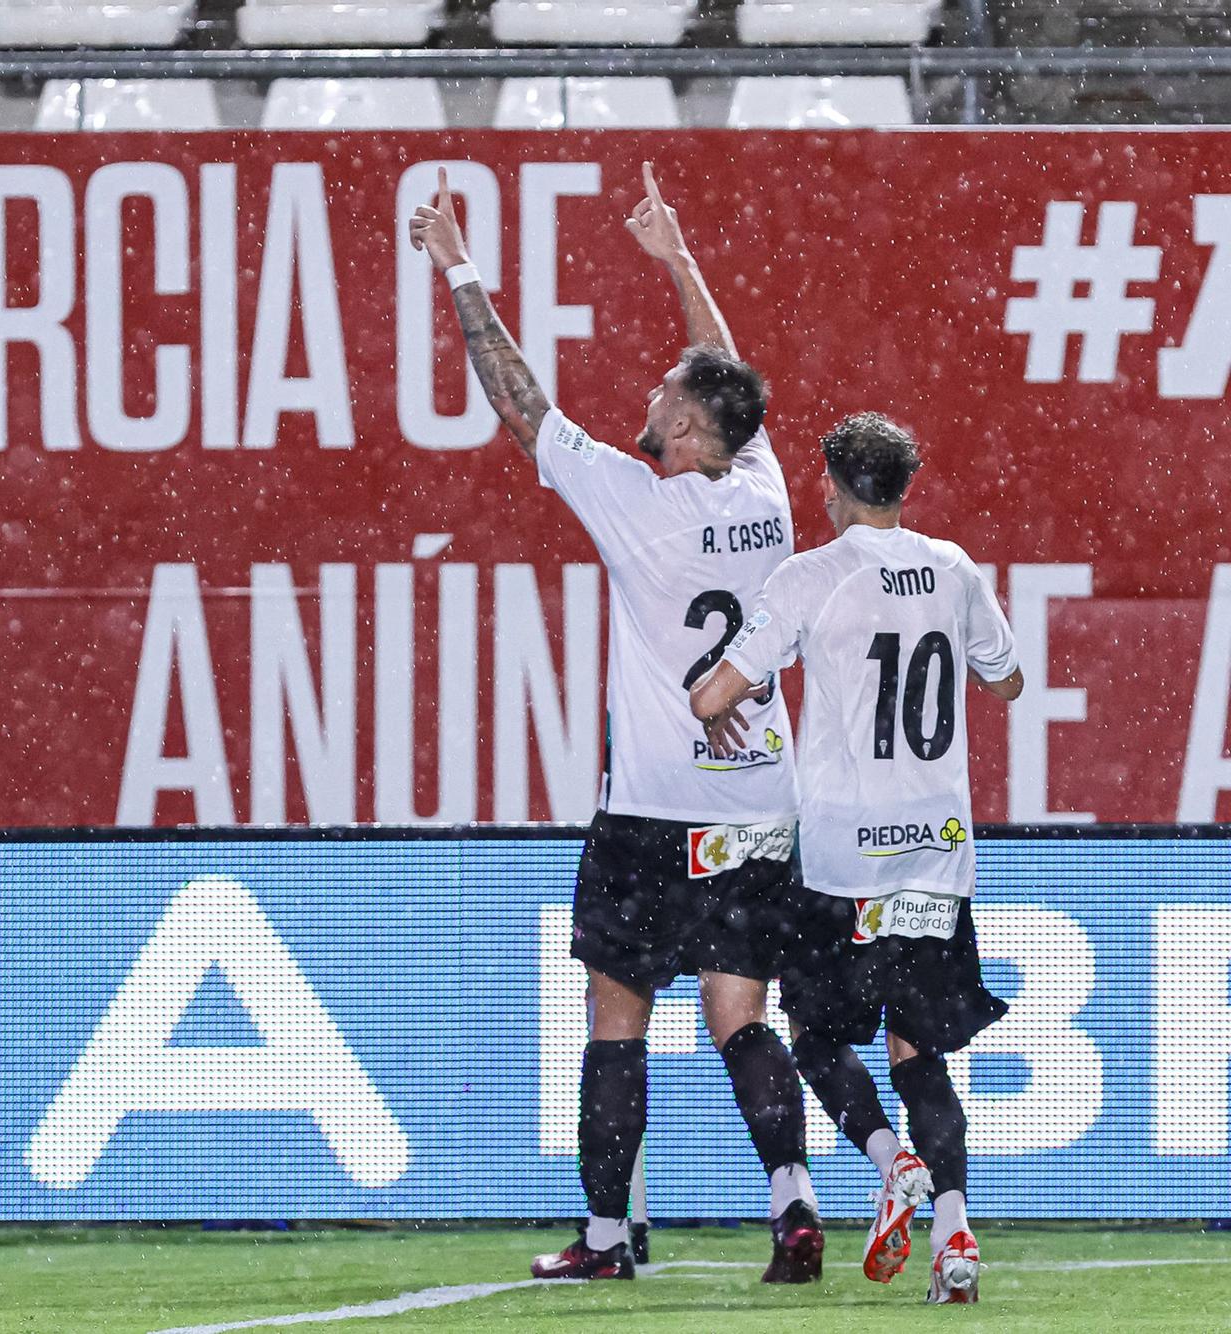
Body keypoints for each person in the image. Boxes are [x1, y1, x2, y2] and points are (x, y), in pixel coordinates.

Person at [410, 164, 821, 1283]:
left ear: (683, 429)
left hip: (649, 804)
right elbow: (730, 384)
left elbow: (517, 403)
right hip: (754, 804)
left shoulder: (636, 503)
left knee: (615, 1015)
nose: (647, 393)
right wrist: (677, 260)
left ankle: (601, 1238)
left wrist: (456, 265)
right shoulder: (765, 491)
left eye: (662, 392)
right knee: (740, 1015)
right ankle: (791, 1204)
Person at [690, 412, 1024, 1304]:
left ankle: (891, 1158)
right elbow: (1008, 679)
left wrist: (721, 687)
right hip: (937, 851)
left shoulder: (812, 577)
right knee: (921, 1052)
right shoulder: (952, 568)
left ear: (833, 485)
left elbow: (718, 689)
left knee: (815, 1035)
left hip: (844, 861)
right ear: (904, 488)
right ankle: (955, 1242)